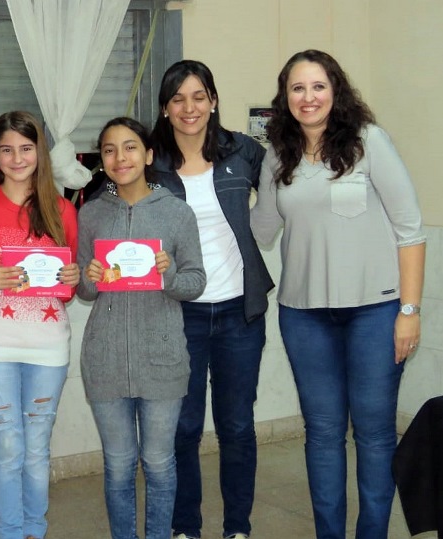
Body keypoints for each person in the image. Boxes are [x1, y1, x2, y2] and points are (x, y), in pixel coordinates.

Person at [251, 49, 426, 539]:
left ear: (336, 91)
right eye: (298, 88)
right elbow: (262, 229)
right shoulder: (278, 155)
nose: (308, 97)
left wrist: (409, 311)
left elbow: (411, 231)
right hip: (304, 315)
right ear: (285, 98)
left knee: (374, 433)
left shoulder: (369, 141)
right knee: (323, 434)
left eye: (318, 86)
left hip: (376, 312)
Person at [149, 60, 274, 539]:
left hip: (240, 311)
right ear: (165, 107)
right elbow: (105, 198)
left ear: (214, 101)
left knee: (237, 426)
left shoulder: (244, 151)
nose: (190, 108)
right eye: (178, 98)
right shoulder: (150, 162)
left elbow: (291, 181)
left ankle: (237, 527)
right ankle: (186, 527)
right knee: (183, 428)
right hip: (177, 313)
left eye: (199, 96)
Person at [0, 111, 80, 539]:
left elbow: (67, 287)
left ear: (39, 152)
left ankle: (34, 530)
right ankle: (9, 532)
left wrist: (71, 279)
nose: (17, 158)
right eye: (7, 150)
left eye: (26, 148)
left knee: (37, 449)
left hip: (48, 345)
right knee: (8, 447)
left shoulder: (62, 209)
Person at [78, 117, 207, 539]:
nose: (120, 157)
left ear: (148, 155)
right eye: (110, 150)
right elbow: (84, 289)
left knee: (158, 463)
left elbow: (195, 281)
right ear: (102, 160)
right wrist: (90, 278)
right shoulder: (91, 214)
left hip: (162, 357)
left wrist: (168, 276)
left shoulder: (177, 213)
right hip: (106, 358)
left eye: (130, 147)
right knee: (118, 465)